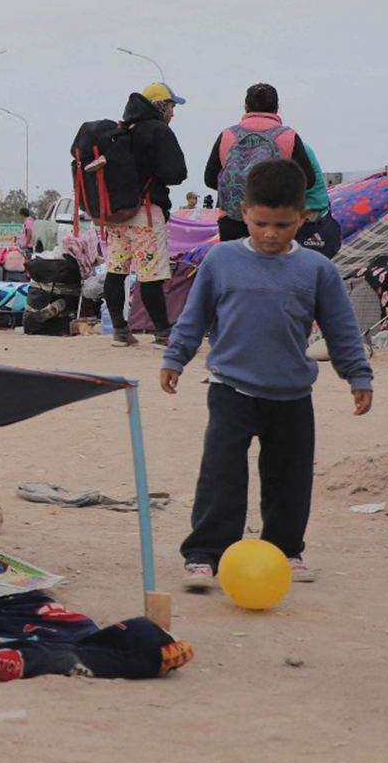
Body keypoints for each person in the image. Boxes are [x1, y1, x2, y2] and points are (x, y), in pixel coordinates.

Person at [161, 158, 373, 590]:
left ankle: (284, 550)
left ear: (303, 216)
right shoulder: (221, 260)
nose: (272, 234)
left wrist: (358, 376)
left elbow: (342, 330)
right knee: (221, 476)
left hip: (293, 396)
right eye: (261, 223)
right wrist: (174, 358)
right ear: (243, 211)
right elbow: (193, 316)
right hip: (230, 390)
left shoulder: (317, 270)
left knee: (289, 479)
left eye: (283, 224)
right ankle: (204, 555)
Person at [101, 82, 189, 347]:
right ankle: (163, 332)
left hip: (116, 215)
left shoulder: (123, 130)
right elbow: (176, 174)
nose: (174, 112)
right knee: (150, 273)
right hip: (145, 213)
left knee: (116, 270)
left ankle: (120, 330)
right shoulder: (158, 131)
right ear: (161, 105)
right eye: (172, 106)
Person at [204, 82, 330, 244]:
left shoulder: (227, 135)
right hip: (275, 221)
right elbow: (309, 180)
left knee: (236, 266)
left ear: (246, 107)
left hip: (232, 219)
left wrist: (239, 190)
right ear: (276, 108)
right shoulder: (288, 136)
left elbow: (210, 179)